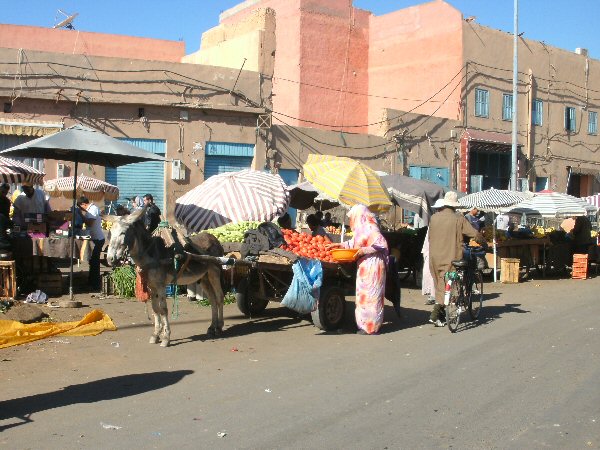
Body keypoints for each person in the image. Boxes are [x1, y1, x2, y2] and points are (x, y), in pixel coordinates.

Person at [326, 204, 388, 335]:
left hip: (374, 265)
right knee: (362, 295)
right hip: (364, 265)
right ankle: (363, 324)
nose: (352, 221)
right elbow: (354, 242)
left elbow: (382, 244)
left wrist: (363, 250)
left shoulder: (371, 227)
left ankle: (371, 327)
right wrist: (340, 245)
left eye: (353, 217)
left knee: (372, 296)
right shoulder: (362, 229)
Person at [428, 191, 485, 327]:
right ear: (454, 206)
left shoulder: (434, 218)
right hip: (451, 257)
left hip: (434, 257)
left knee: (439, 284)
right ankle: (436, 314)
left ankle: (439, 315)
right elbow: (474, 234)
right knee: (450, 280)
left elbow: (430, 237)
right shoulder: (459, 218)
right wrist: (484, 242)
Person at [77, 196, 105, 292]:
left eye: (81, 208)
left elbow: (90, 223)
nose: (82, 210)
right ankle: (91, 281)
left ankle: (95, 284)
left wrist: (81, 215)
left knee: (95, 262)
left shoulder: (93, 209)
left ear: (83, 204)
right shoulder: (91, 209)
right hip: (94, 238)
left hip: (97, 239)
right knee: (92, 261)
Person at [422, 198, 445, 306]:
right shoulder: (434, 220)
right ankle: (433, 295)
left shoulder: (448, 220)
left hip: (441, 251)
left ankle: (439, 296)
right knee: (431, 274)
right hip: (432, 250)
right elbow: (428, 237)